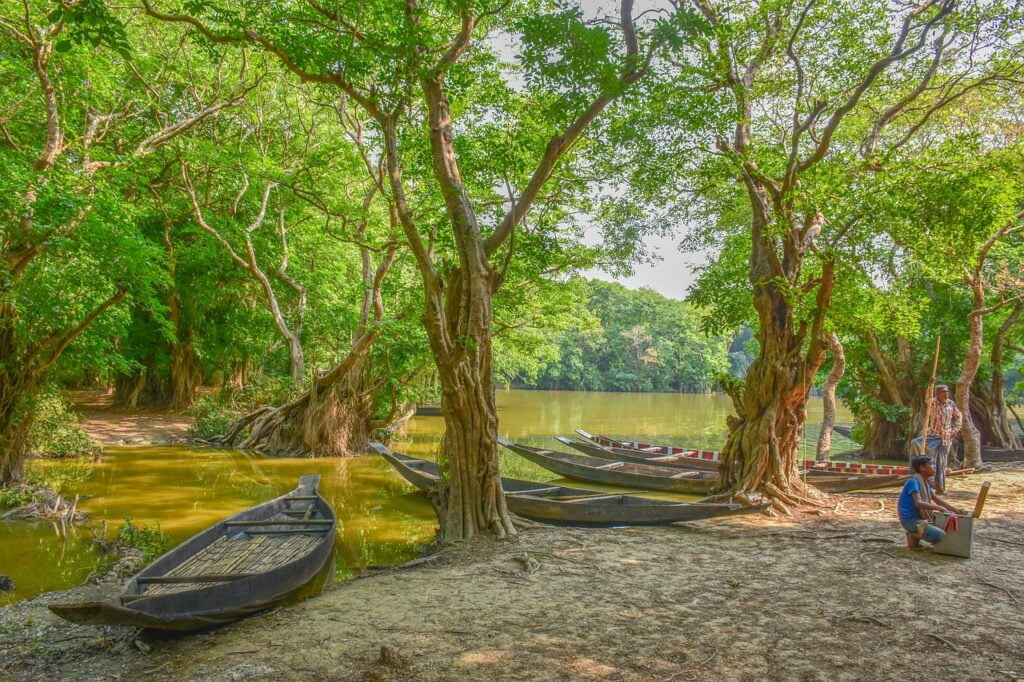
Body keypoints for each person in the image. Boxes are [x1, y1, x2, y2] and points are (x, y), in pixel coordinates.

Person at [898, 455, 966, 548]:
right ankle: (912, 535)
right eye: (930, 464)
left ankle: (916, 536)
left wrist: (956, 510)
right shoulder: (913, 482)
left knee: (947, 524)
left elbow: (938, 501)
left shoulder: (924, 483)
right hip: (910, 520)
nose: (933, 467)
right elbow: (918, 503)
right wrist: (939, 508)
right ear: (922, 468)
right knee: (940, 535)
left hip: (920, 518)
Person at [911, 384, 962, 494]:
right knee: (917, 445)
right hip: (933, 437)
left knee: (942, 463)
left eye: (947, 392)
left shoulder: (950, 404)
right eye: (943, 392)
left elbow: (959, 416)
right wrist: (930, 385)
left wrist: (955, 430)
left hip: (946, 439)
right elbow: (927, 397)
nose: (946, 394)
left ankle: (940, 488)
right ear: (938, 393)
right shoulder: (933, 402)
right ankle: (920, 477)